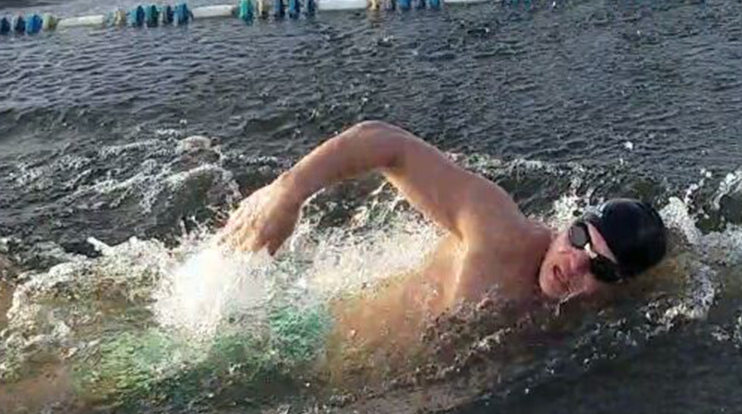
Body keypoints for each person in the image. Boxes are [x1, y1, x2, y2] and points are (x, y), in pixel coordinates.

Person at [220, 121, 669, 349]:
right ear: (567, 223)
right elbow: (385, 143)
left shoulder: (589, 318)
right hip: (297, 338)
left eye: (601, 268)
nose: (573, 262)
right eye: (577, 238)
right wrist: (287, 192)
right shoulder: (497, 231)